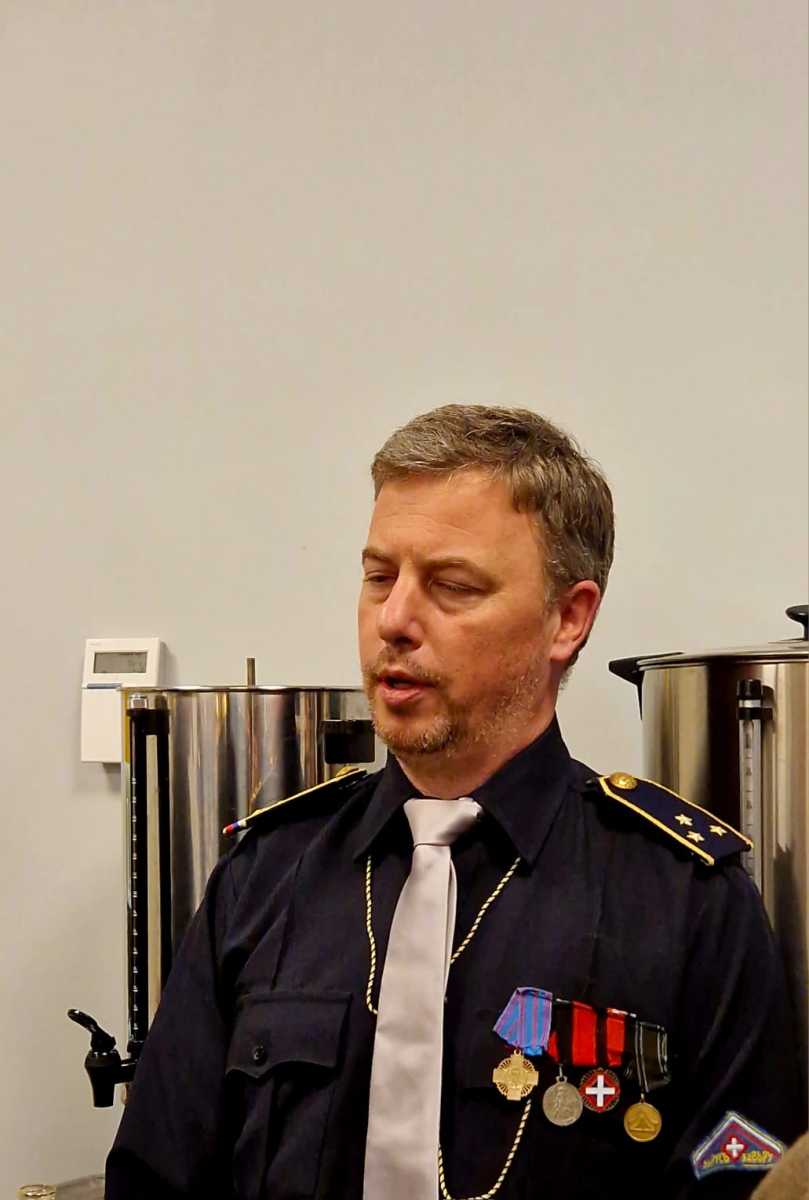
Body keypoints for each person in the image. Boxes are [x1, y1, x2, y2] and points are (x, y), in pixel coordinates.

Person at [105, 405, 803, 1199]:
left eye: (452, 586)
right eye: (379, 577)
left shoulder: (683, 900)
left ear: (567, 619)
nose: (394, 620)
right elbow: (155, 1175)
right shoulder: (264, 876)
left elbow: (742, 1182)